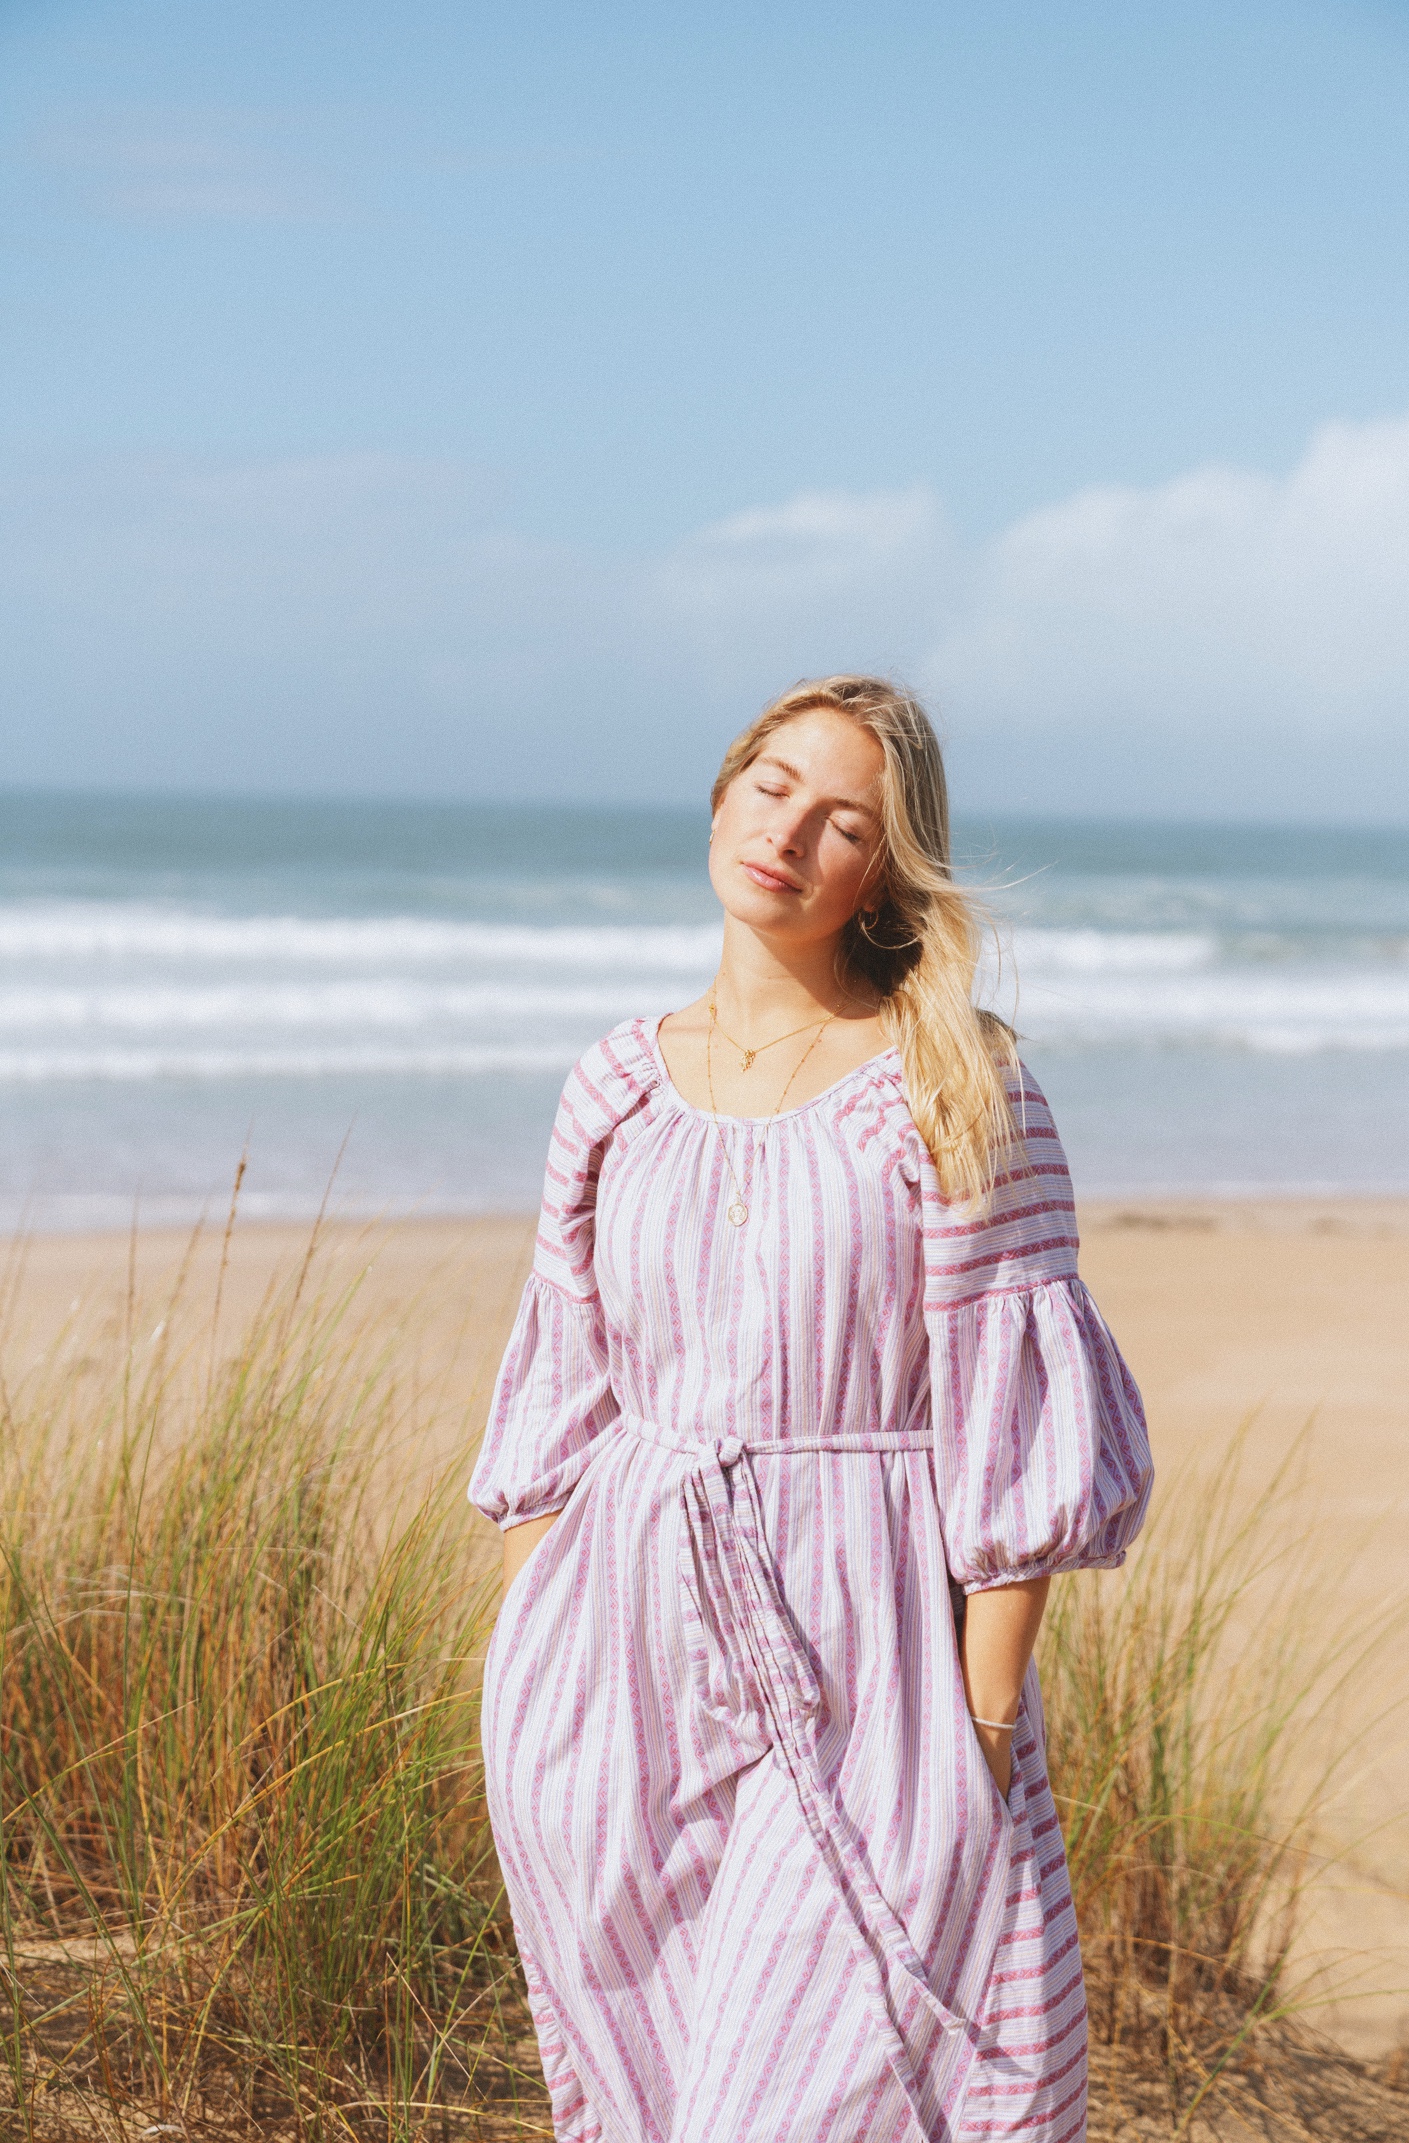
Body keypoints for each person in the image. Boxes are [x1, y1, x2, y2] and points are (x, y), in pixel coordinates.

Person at [469, 676, 1153, 2143]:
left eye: (844, 822)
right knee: (651, 2090)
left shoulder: (955, 1085)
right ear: (723, 795)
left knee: (812, 2093)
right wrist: (539, 1685)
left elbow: (1012, 1425)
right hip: (616, 1667)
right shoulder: (612, 1088)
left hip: (875, 1669)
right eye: (774, 785)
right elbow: (556, 1404)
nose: (790, 832)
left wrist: (978, 1724)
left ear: (882, 877)